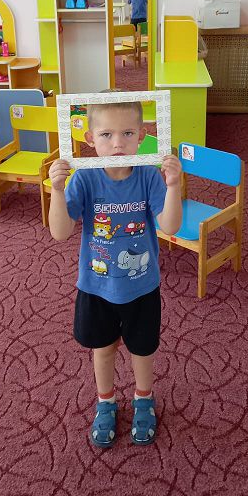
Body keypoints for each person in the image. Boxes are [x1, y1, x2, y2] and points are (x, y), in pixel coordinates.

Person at [48, 100, 182, 448]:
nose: (118, 143)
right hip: (96, 286)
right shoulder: (85, 177)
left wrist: (173, 186)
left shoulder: (148, 176)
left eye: (127, 133)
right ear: (90, 139)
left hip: (142, 286)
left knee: (142, 349)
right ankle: (105, 402)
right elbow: (60, 232)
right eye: (106, 134)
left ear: (143, 136)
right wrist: (57, 191)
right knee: (103, 349)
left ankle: (143, 398)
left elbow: (170, 226)